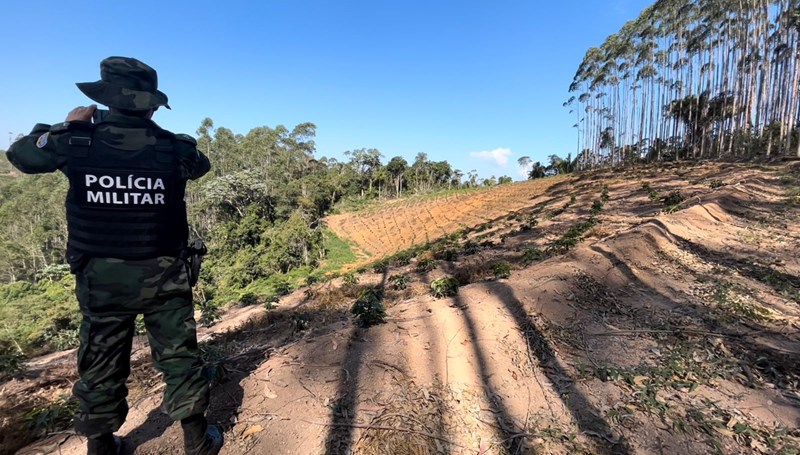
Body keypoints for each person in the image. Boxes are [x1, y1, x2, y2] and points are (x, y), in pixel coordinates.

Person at [5, 56, 222, 455]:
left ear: (104, 99)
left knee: (101, 359)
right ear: (152, 104)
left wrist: (69, 125)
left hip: (101, 277)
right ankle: (197, 440)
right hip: (164, 273)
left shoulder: (74, 140)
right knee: (178, 354)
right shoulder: (174, 149)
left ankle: (101, 446)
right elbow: (202, 165)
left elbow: (20, 155)